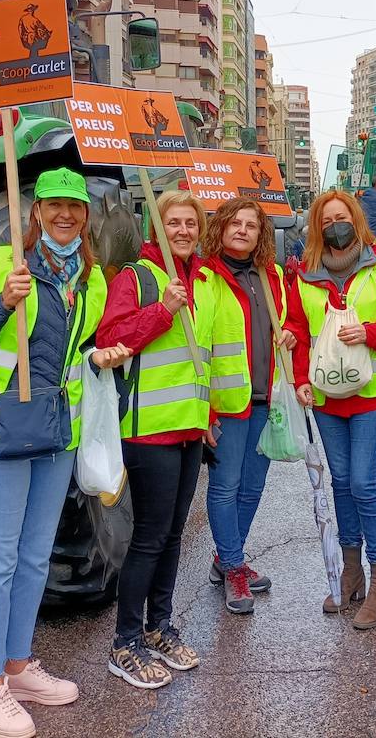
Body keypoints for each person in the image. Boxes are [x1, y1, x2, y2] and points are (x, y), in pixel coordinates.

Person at [0, 168, 132, 738]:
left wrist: (104, 357)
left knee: (32, 558)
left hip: (56, 435)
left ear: (86, 218)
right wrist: (4, 302)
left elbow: (83, 352)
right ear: (36, 214)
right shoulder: (7, 267)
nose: (64, 216)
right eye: (53, 206)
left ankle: (18, 666)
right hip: (0, 430)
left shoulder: (93, 282)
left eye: (74, 209)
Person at [284, 190, 376, 629]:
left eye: (341, 218)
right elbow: (297, 327)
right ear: (316, 228)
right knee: (342, 483)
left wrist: (370, 332)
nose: (334, 227)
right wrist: (301, 378)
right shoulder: (305, 276)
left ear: (357, 221)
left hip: (375, 393)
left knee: (363, 482)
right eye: (326, 222)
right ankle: (351, 571)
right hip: (327, 398)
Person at [97, 190, 216, 691]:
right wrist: (162, 311)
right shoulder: (138, 277)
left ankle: (158, 625)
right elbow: (109, 340)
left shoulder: (204, 281)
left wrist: (209, 416)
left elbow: (203, 357)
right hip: (147, 430)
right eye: (174, 223)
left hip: (189, 429)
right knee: (148, 537)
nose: (183, 231)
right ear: (157, 229)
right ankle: (125, 643)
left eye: (191, 222)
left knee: (172, 535)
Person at [199, 196, 295, 615]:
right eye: (234, 222)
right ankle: (234, 566)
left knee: (253, 486)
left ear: (261, 234)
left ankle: (227, 557)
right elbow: (198, 345)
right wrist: (203, 408)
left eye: (251, 225)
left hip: (265, 397)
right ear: (220, 227)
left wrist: (288, 334)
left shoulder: (271, 274)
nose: (242, 230)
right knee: (226, 486)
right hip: (226, 402)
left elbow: (287, 322)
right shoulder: (207, 276)